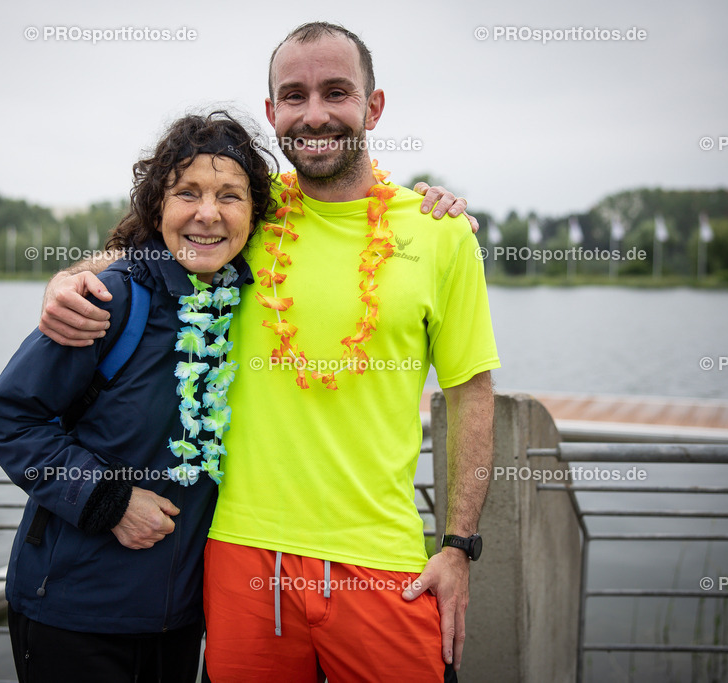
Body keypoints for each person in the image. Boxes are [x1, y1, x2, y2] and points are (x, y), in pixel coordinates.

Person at [40, 22, 498, 683]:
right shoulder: (244, 213)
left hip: (382, 560)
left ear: (373, 107)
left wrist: (457, 546)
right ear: (272, 112)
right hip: (240, 557)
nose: (315, 113)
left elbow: (470, 392)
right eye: (294, 95)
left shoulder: (440, 233)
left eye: (336, 92)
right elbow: (136, 256)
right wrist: (64, 279)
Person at [0, 110, 276, 682]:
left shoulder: (254, 302)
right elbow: (9, 418)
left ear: (254, 214)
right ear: (157, 206)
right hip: (75, 612)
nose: (207, 213)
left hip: (183, 617)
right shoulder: (107, 298)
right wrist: (108, 501)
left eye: (230, 196)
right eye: (187, 192)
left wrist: (433, 209)